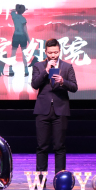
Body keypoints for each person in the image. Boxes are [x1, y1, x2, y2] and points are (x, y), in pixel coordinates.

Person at [31, 38, 77, 173]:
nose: (53, 55)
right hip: (42, 110)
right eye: (50, 53)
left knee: (59, 146)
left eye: (55, 52)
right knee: (42, 146)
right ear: (45, 52)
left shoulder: (67, 67)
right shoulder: (38, 66)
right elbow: (34, 85)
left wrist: (63, 81)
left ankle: (60, 179)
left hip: (60, 110)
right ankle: (41, 180)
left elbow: (74, 87)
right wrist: (46, 71)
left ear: (59, 51)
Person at [9, 4, 30, 76]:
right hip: (22, 37)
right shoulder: (23, 19)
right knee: (24, 54)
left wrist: (17, 9)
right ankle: (26, 70)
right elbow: (25, 31)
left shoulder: (14, 16)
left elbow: (12, 11)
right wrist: (29, 40)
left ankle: (10, 69)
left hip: (15, 36)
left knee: (13, 53)